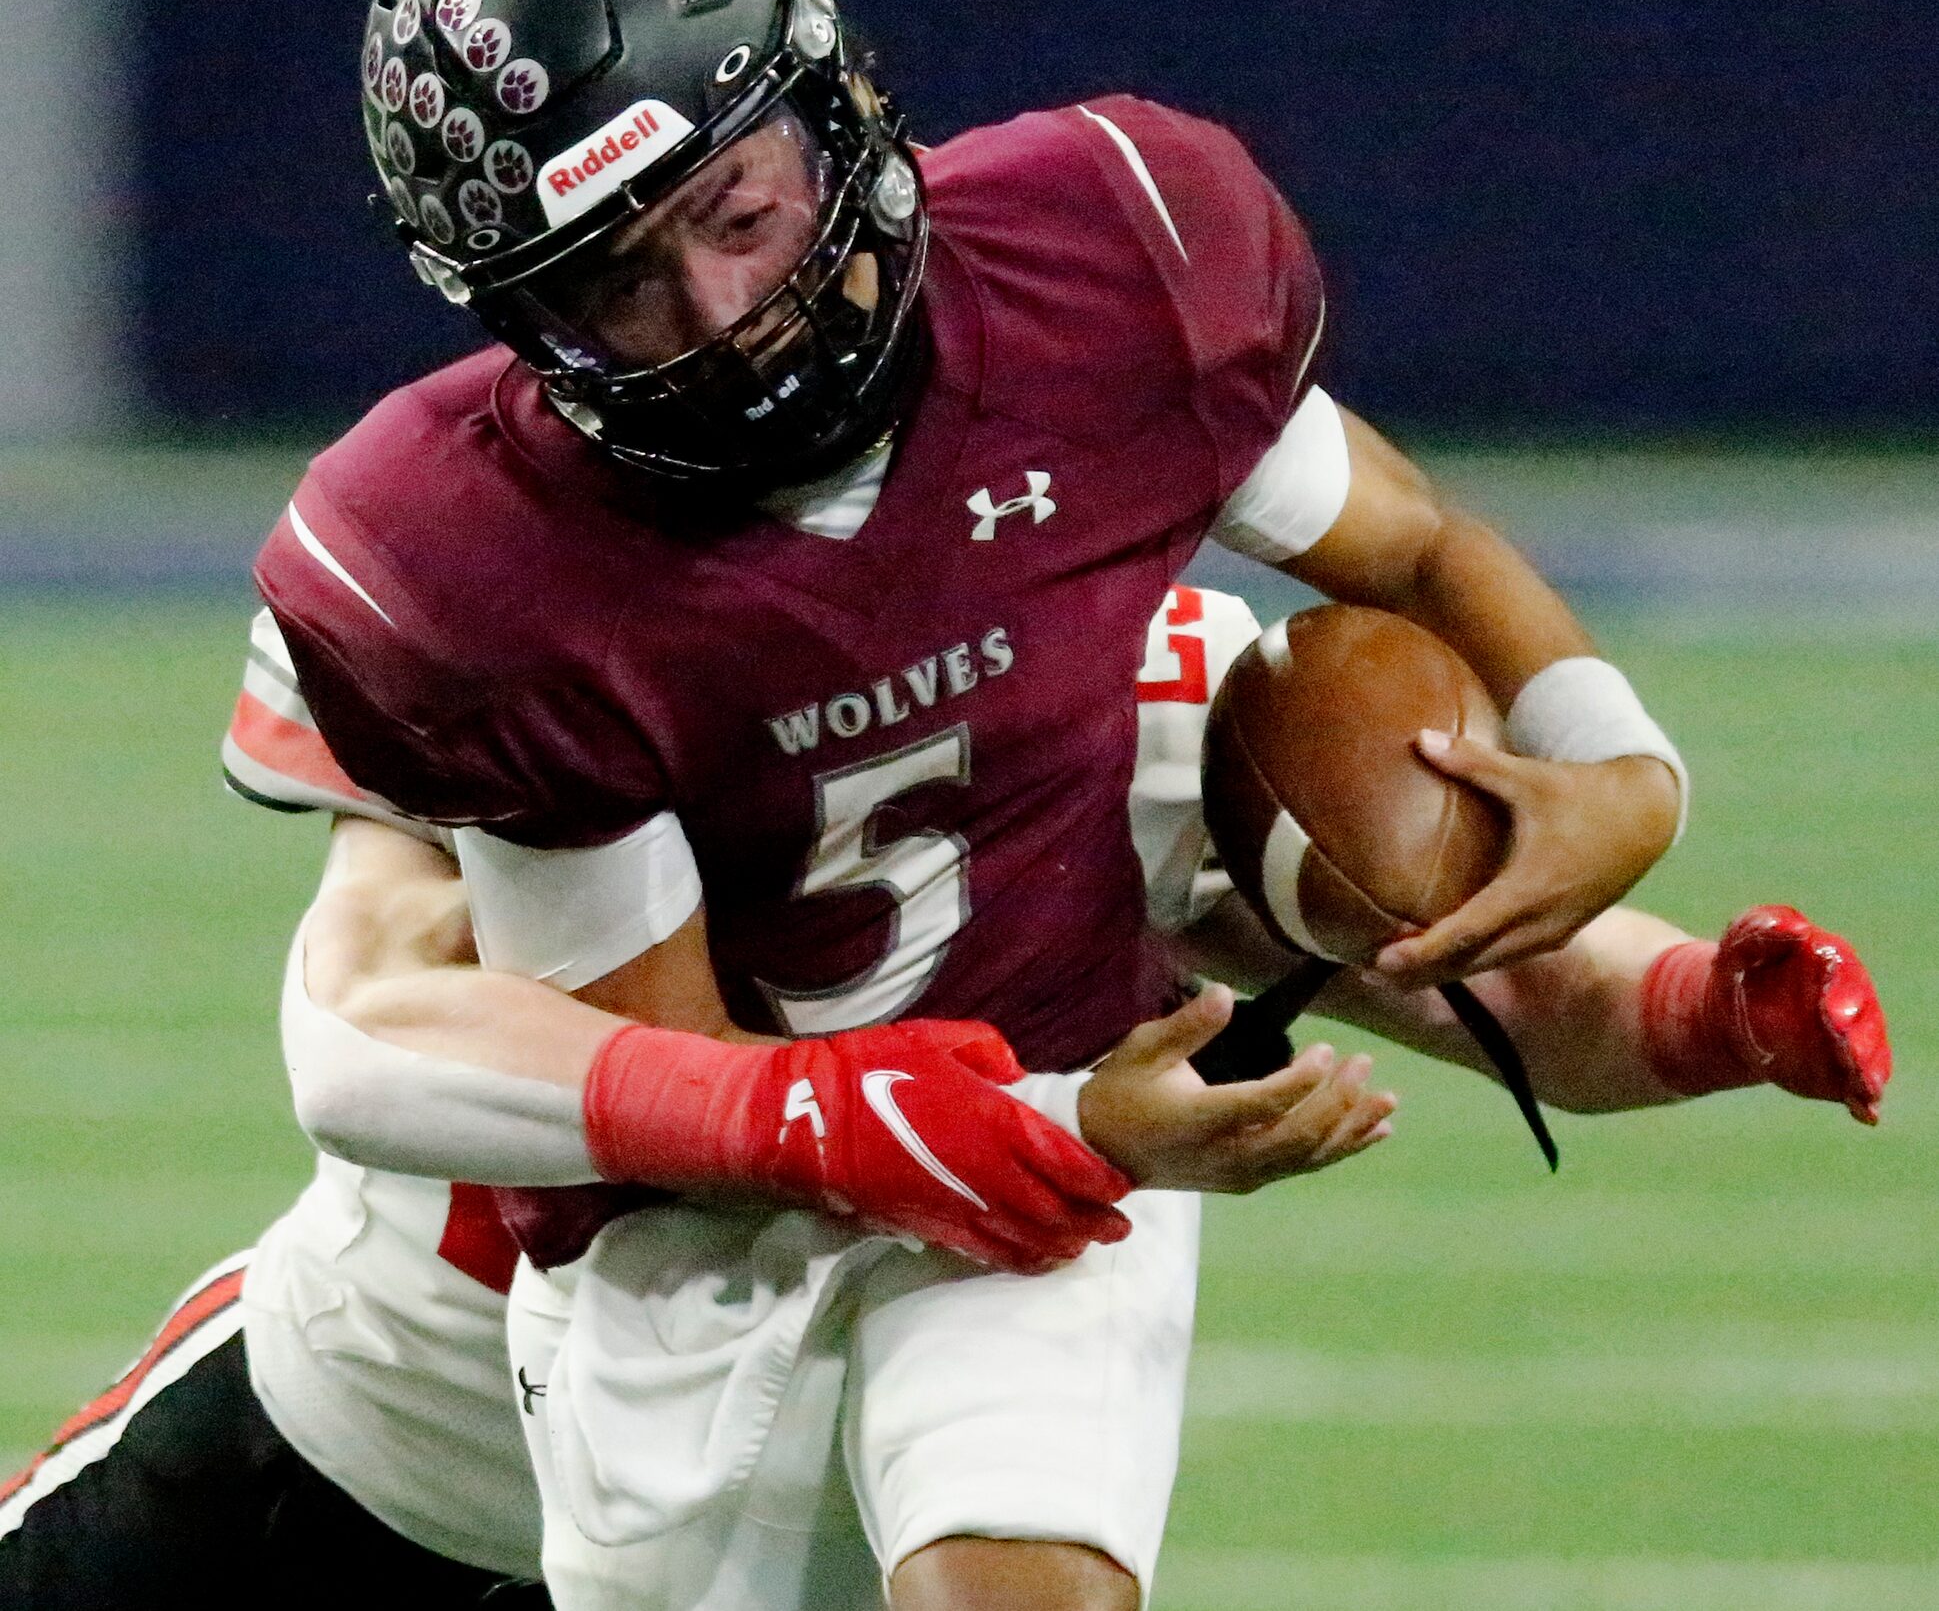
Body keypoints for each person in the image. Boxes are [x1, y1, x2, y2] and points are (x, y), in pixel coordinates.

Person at [233, 0, 1872, 1609]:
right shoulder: (467, 559)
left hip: (1037, 1132)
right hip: (679, 1227)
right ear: (512, 319)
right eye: (616, 282)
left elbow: (1422, 791)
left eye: (739, 210)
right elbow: (637, 1076)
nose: (723, 319)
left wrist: (1632, 799)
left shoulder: (1116, 308)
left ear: (838, 103)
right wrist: (1074, 1120)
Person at [0, 584, 1886, 1605]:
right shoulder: (526, 601)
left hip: (753, 1499)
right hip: (379, 1417)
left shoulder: (1130, 680)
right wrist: (797, 1109)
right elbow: (371, 1002)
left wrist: (1708, 1010)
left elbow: (1471, 946)